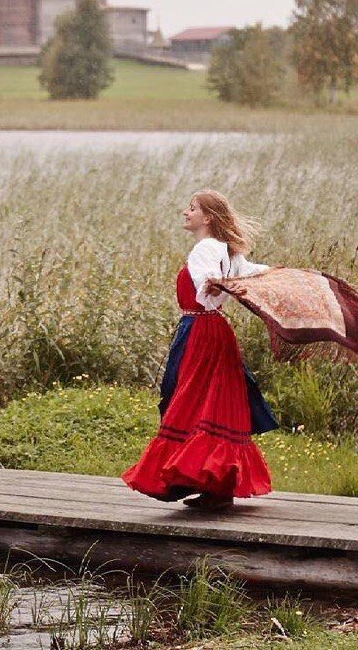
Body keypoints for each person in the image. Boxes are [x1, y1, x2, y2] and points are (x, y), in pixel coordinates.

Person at [121, 189, 277, 511]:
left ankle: (180, 476)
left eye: (191, 208)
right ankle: (215, 486)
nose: (185, 212)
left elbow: (209, 284)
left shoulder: (205, 249)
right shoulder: (227, 250)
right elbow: (251, 272)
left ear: (207, 217)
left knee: (190, 398)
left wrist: (213, 283)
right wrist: (280, 275)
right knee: (212, 402)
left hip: (200, 330)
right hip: (216, 329)